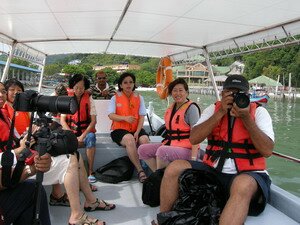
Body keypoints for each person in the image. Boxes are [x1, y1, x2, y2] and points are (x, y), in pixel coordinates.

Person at [158, 75, 274, 225]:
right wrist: (220, 113)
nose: (234, 97)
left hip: (247, 173)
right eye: (230, 92)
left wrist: (246, 118)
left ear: (247, 95)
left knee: (242, 185)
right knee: (174, 168)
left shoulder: (259, 112)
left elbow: (267, 151)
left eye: (239, 93)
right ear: (222, 93)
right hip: (213, 170)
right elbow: (194, 138)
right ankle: (164, 219)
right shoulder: (213, 109)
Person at [0, 81, 52, 225]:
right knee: (34, 191)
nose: (1, 95)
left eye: (3, 91)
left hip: (7, 173)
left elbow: (17, 142)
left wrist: (37, 158)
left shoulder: (4, 116)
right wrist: (30, 168)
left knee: (34, 190)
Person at [138, 78, 200, 172]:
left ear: (187, 92)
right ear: (171, 93)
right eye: (174, 91)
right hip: (171, 144)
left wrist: (194, 159)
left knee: (162, 151)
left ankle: (162, 182)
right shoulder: (172, 107)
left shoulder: (191, 109)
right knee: (142, 150)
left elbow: (196, 135)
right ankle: (159, 177)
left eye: (180, 90)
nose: (177, 93)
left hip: (188, 149)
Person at [108, 72, 150, 183]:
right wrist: (125, 118)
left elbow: (141, 117)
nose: (128, 84)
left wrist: (137, 132)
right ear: (121, 85)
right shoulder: (114, 98)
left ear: (134, 84)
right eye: (125, 82)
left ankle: (147, 168)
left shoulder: (139, 97)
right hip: (119, 130)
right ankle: (140, 171)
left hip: (136, 128)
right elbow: (111, 115)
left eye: (131, 82)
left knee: (144, 140)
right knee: (130, 139)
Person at [61, 74, 97, 183]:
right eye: (76, 87)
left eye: (81, 88)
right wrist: (72, 136)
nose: (79, 90)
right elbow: (63, 121)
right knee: (62, 140)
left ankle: (90, 171)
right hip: (70, 133)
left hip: (85, 134)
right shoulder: (66, 98)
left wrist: (82, 136)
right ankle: (70, 171)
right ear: (72, 86)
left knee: (91, 137)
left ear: (85, 87)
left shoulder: (89, 98)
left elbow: (93, 121)